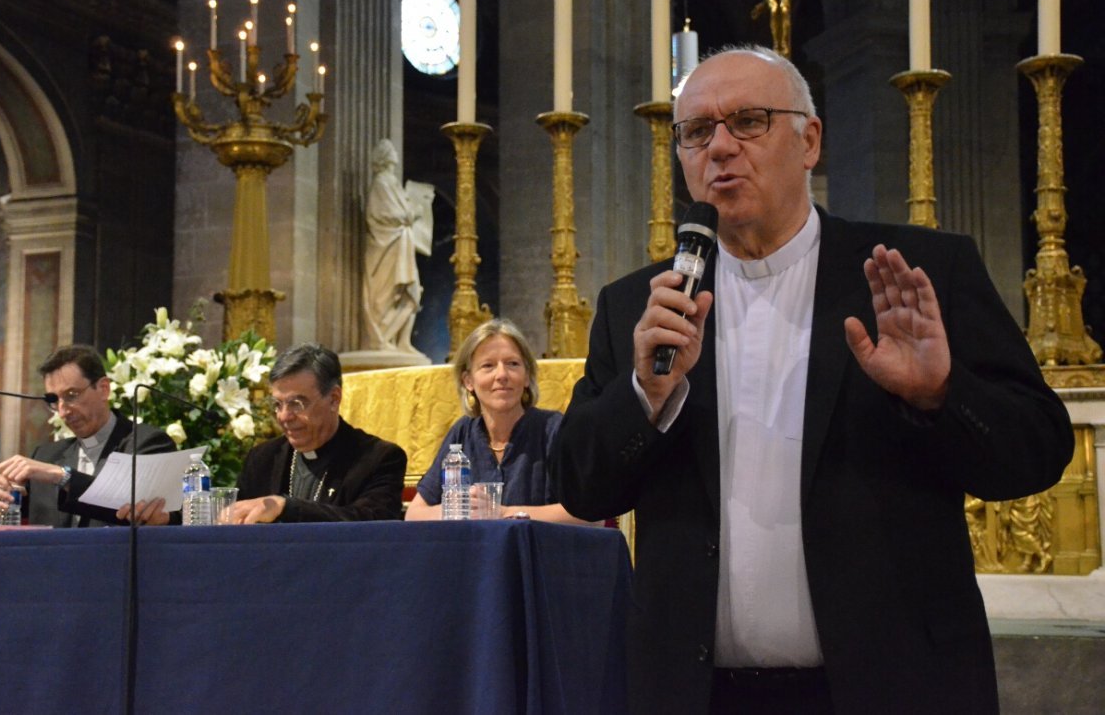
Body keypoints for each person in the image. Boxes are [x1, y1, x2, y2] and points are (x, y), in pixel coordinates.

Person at [554, 45, 1073, 714]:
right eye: (696, 131)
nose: (719, 148)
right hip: (699, 693)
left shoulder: (917, 272)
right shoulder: (641, 304)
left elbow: (1036, 452)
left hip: (892, 688)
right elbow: (578, 482)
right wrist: (643, 396)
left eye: (747, 121)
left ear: (810, 141)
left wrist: (939, 393)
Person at [0, 344, 176, 527]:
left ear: (104, 389)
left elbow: (127, 502)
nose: (63, 411)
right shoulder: (48, 454)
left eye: (71, 395)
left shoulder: (146, 443)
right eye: (54, 400)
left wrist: (62, 476)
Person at [405, 318, 589, 524]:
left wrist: (502, 512)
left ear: (527, 376)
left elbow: (589, 515)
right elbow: (414, 514)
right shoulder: (462, 432)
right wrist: (463, 509)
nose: (501, 375)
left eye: (512, 364)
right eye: (488, 366)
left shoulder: (554, 429)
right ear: (468, 381)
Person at [227, 342, 406, 523]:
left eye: (296, 403)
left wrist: (286, 507)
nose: (284, 416)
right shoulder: (261, 459)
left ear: (334, 399)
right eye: (278, 405)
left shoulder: (379, 458)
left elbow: (371, 523)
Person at [361, 138, 434, 355]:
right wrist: (414, 213)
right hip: (387, 248)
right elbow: (387, 214)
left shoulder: (391, 183)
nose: (394, 155)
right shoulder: (381, 183)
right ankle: (381, 338)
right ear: (384, 158)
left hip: (401, 246)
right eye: (390, 153)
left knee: (412, 293)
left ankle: (402, 341)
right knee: (385, 294)